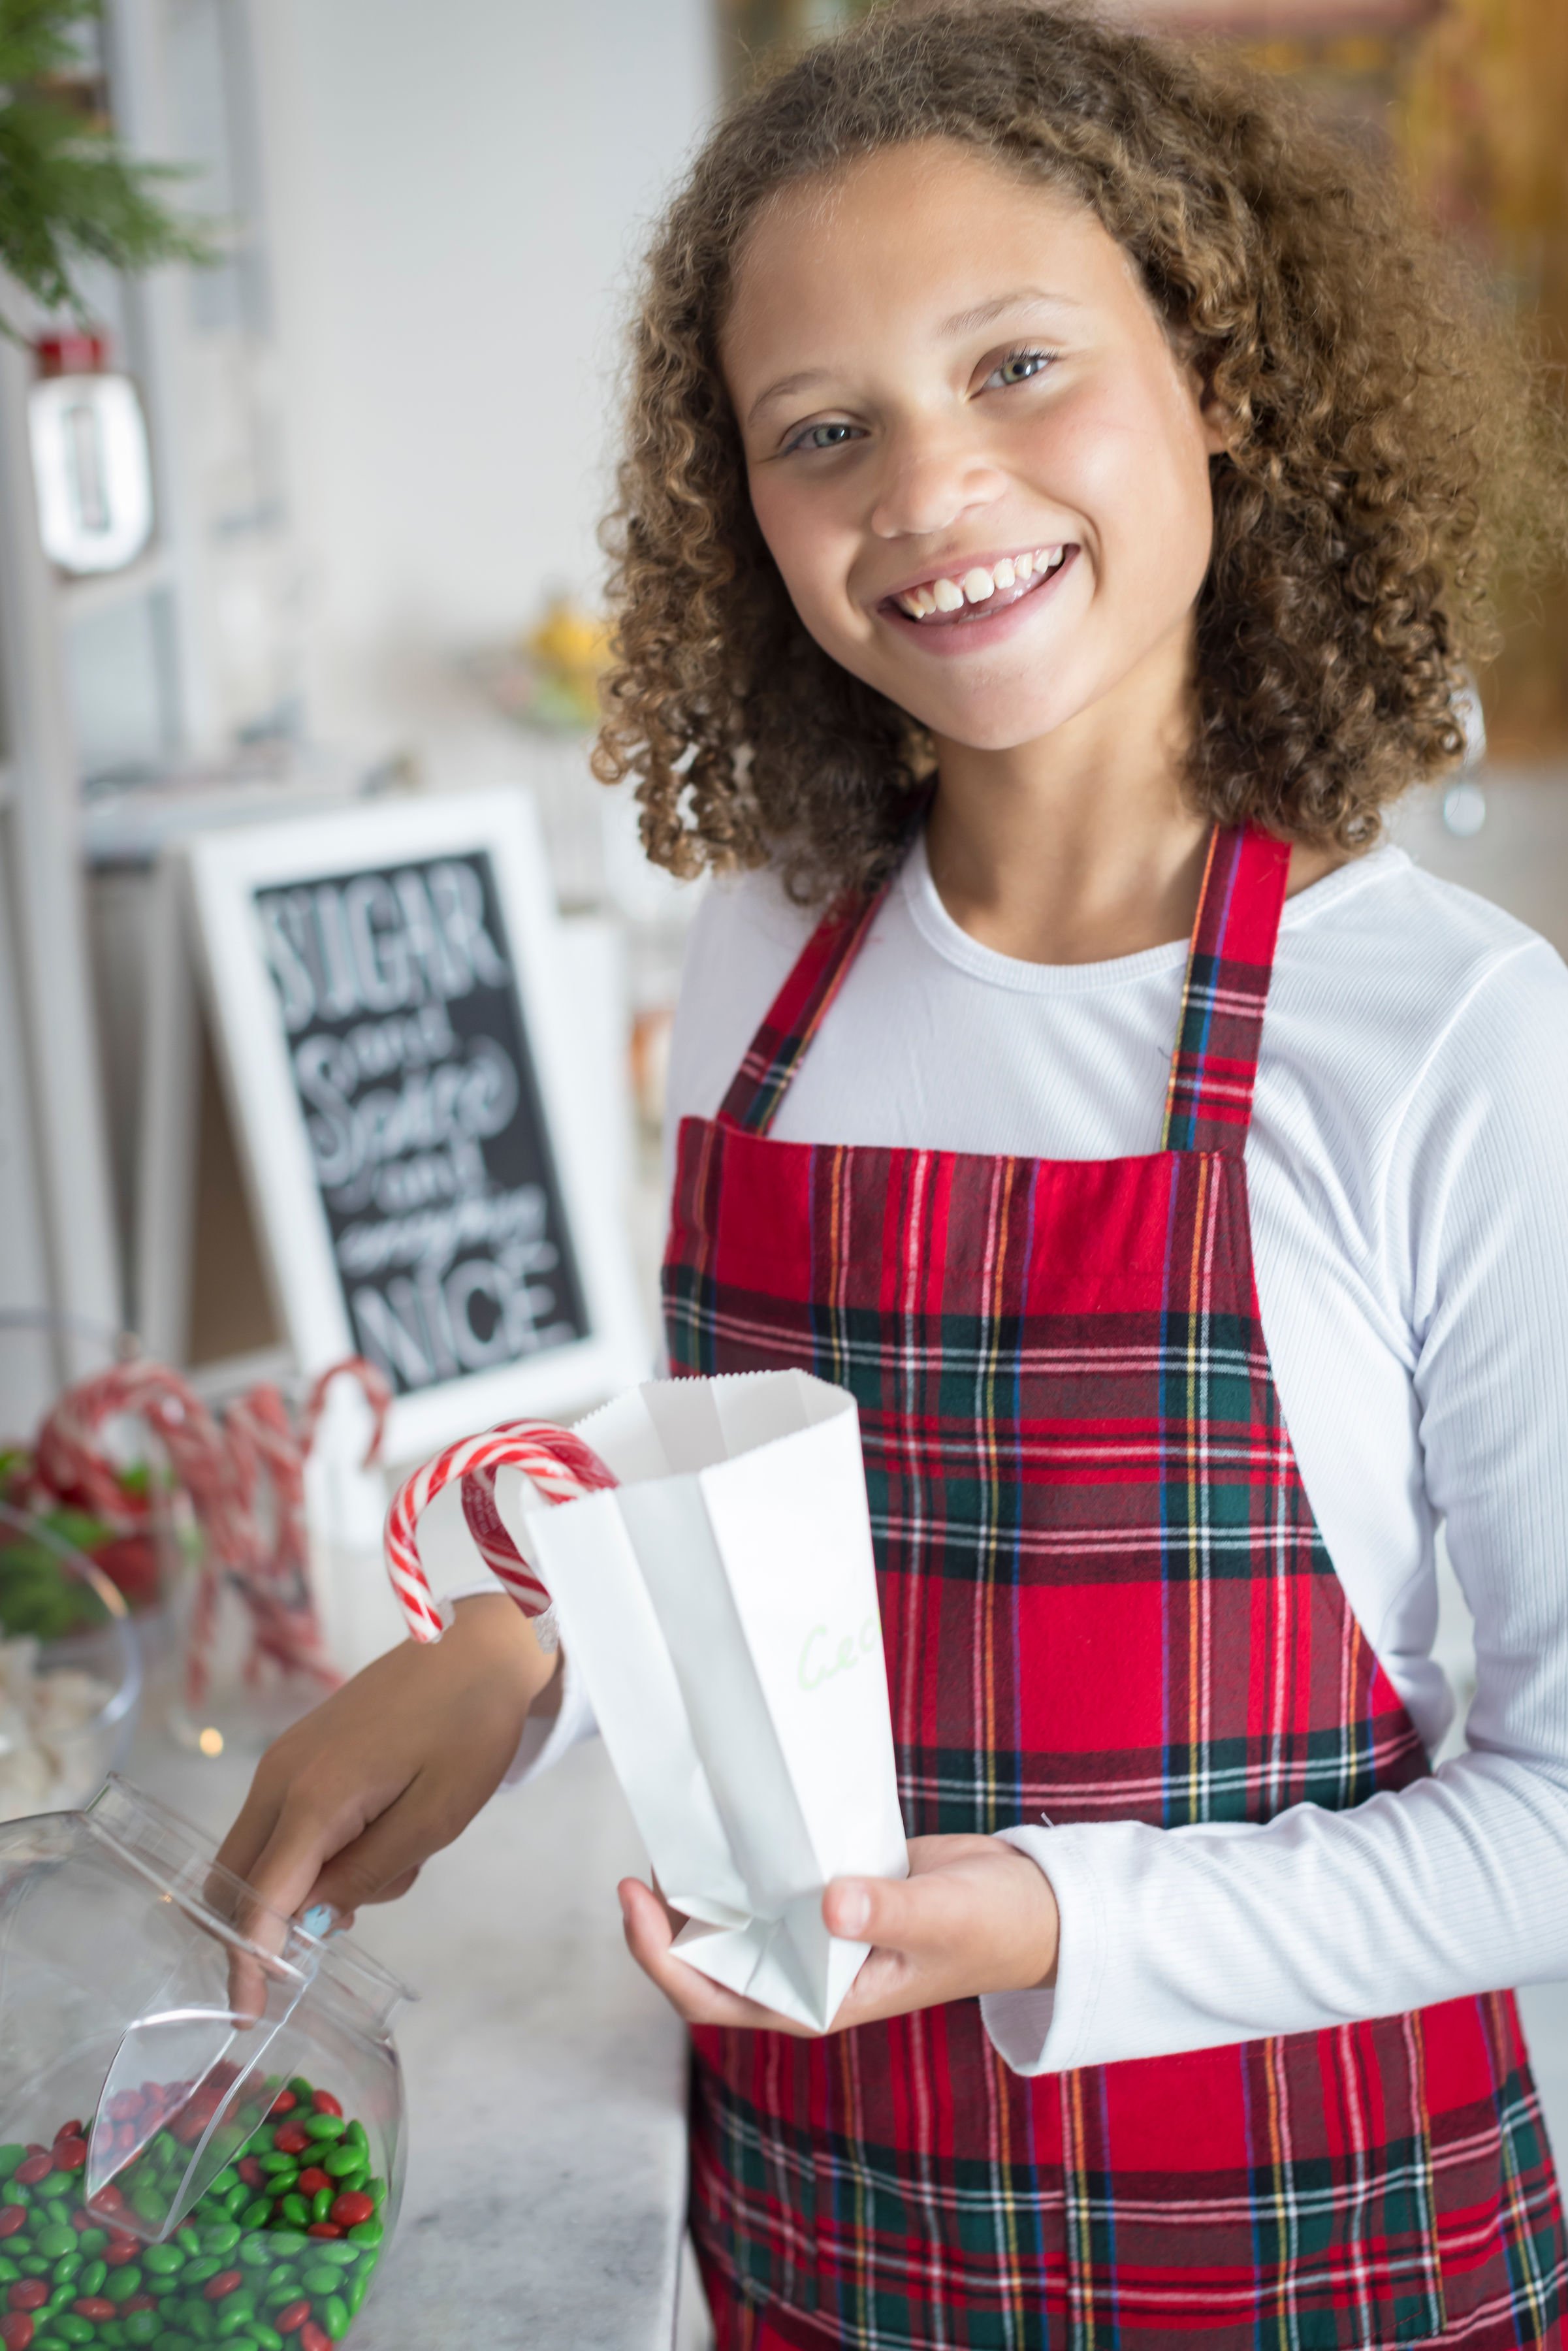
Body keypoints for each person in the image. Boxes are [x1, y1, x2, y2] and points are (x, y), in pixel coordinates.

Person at [218, 5, 1568, 2343]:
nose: (929, 488)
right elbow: (741, 1544)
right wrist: (515, 1651)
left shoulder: (1443, 1035)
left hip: (1302, 2241)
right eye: (821, 430)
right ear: (742, 506)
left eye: (1019, 365)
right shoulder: (764, 952)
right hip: (816, 2217)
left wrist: (1049, 1924)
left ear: (1219, 376)